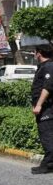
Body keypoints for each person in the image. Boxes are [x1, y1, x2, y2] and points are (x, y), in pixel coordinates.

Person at [31, 45, 53, 174]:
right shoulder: (44, 66)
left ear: (39, 53)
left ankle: (48, 165)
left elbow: (48, 87)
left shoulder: (49, 66)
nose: (34, 54)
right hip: (45, 108)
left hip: (47, 109)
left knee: (47, 137)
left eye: (35, 52)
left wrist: (39, 105)